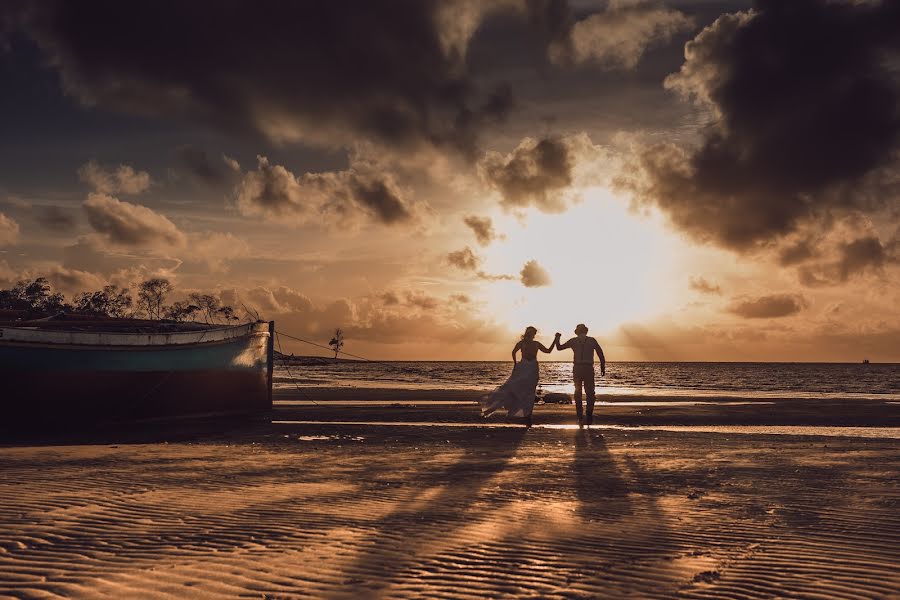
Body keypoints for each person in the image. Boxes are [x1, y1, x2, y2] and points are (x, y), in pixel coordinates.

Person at [480, 326, 554, 427]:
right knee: (513, 387)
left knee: (530, 392)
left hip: (532, 368)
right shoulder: (521, 343)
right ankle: (504, 411)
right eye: (531, 333)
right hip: (523, 366)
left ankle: (527, 415)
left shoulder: (536, 343)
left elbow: (548, 351)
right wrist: (515, 363)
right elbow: (514, 352)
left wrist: (555, 339)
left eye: (533, 334)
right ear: (528, 333)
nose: (532, 335)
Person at [555, 324, 605, 426]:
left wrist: (557, 338)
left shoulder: (573, 340)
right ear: (586, 331)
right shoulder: (591, 340)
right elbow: (600, 353)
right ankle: (589, 414)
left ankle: (580, 415)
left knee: (578, 392)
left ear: (577, 332)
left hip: (578, 367)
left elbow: (559, 348)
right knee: (590, 392)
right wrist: (602, 365)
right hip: (588, 368)